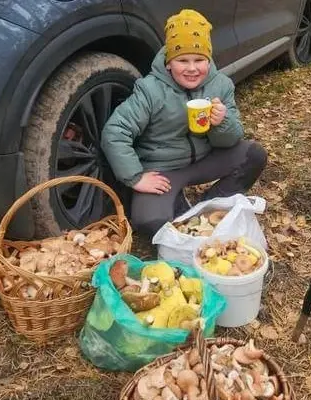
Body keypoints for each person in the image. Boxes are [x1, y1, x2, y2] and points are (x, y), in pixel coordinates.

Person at [101, 9, 267, 237]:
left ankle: (205, 208)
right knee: (151, 223)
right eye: (182, 60)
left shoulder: (221, 85)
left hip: (204, 159)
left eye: (199, 60)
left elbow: (230, 139)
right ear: (169, 63)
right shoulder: (150, 90)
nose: (192, 68)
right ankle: (177, 207)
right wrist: (135, 177)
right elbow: (115, 132)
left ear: (208, 60)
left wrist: (222, 122)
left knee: (254, 155)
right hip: (164, 169)